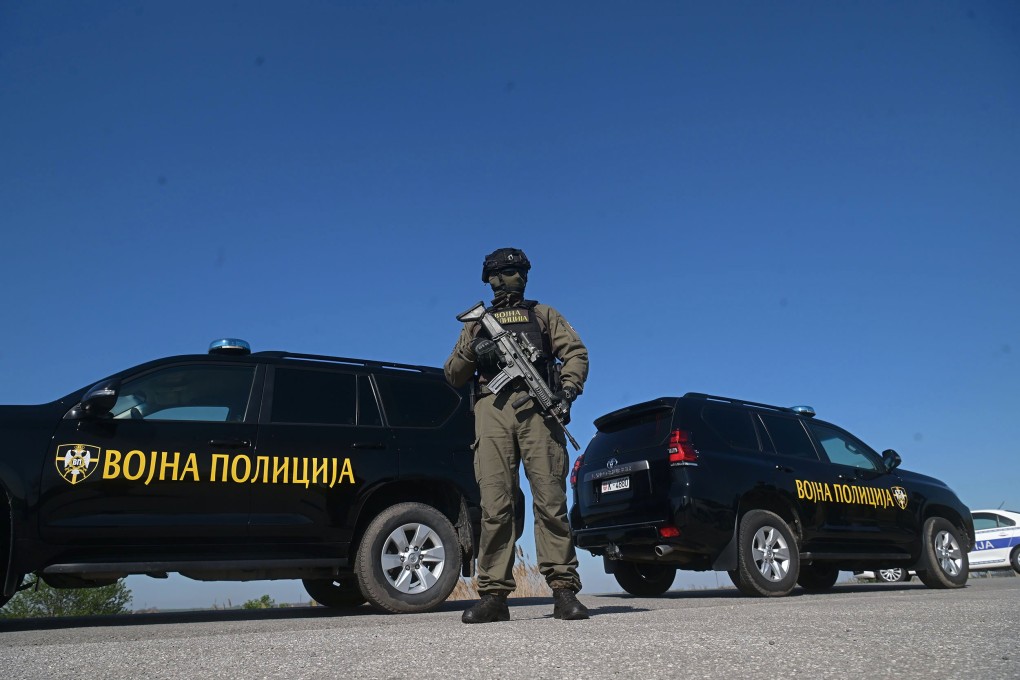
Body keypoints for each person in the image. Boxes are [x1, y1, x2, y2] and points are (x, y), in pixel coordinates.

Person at [445, 247, 590, 623]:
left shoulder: (543, 314)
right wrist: (475, 350)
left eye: (518, 272)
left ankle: (563, 590)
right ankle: (493, 595)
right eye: (506, 272)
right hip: (492, 411)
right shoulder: (476, 323)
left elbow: (575, 353)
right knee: (496, 505)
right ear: (491, 279)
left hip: (539, 412)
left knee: (550, 500)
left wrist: (568, 391)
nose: (513, 279)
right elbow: (453, 375)